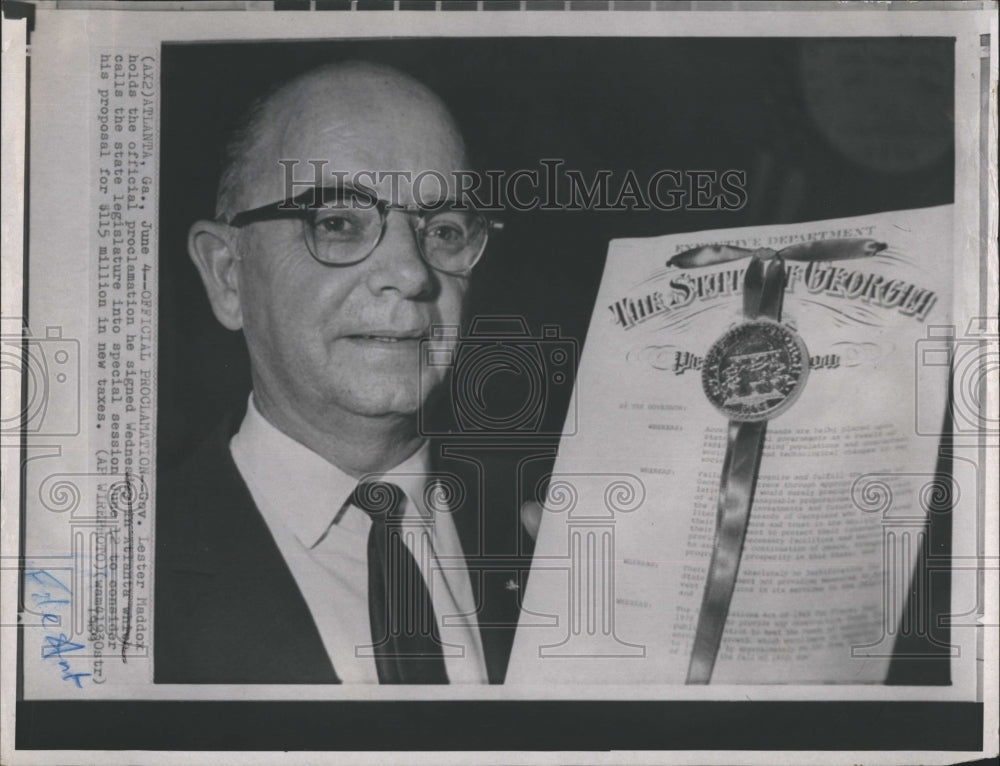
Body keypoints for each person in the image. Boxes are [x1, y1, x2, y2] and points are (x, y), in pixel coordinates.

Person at [154, 61, 539, 684]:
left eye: (442, 229)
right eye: (337, 223)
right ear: (228, 274)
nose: (413, 275)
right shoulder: (117, 568)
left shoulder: (550, 538)